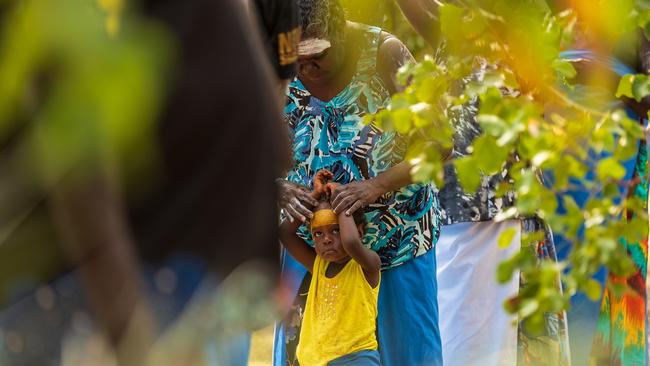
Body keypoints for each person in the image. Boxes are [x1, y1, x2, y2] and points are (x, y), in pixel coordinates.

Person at [0, 0, 289, 364]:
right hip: (109, 301)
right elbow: (75, 164)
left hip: (191, 294)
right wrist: (129, 334)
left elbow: (276, 141)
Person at [391, 1, 570, 365]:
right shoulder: (456, 28)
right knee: (461, 340)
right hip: (457, 215)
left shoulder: (522, 40)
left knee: (485, 344)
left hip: (500, 216)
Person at [274, 0, 444, 365]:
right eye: (296, 61)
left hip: (397, 247)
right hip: (316, 258)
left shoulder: (384, 53)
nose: (306, 69)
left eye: (317, 56)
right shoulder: (275, 64)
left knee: (409, 357)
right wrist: (278, 188)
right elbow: (241, 146)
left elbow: (440, 141)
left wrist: (377, 185)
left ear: (340, 33)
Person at [278, 169, 381, 366]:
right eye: (317, 233)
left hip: (355, 358)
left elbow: (350, 242)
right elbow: (285, 234)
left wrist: (337, 196)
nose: (326, 239)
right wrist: (313, 198)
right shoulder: (317, 264)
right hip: (313, 360)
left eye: (335, 230)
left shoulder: (368, 265)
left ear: (359, 232)